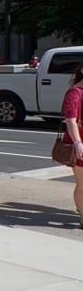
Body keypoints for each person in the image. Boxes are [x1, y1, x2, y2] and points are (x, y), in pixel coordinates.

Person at [60, 62, 83, 228]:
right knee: (82, 183)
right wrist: (77, 142)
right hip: (80, 143)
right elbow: (70, 120)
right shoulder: (74, 93)